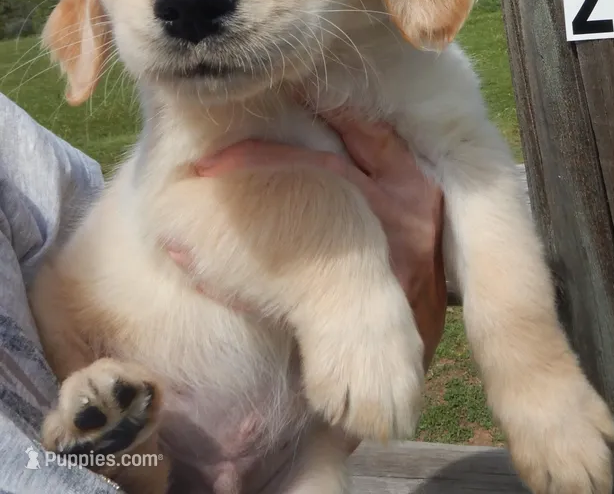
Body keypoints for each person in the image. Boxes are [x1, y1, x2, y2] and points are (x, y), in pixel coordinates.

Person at [0, 92, 447, 493]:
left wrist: (399, 305)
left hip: (287, 439)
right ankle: (134, 465)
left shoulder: (18, 156)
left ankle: (131, 458)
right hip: (188, 424)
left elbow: (108, 250)